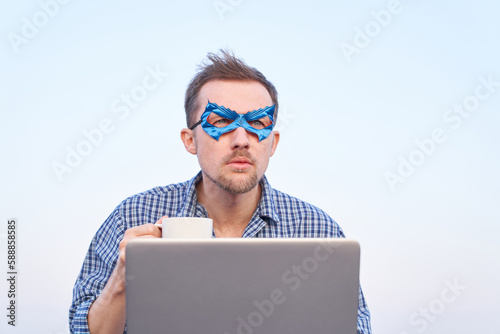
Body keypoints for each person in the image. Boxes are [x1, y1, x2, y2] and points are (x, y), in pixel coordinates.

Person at [69, 50, 372, 334]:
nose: (241, 138)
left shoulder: (318, 231)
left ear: (273, 143)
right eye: (222, 121)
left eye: (257, 123)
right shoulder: (133, 216)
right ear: (190, 140)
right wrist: (122, 281)